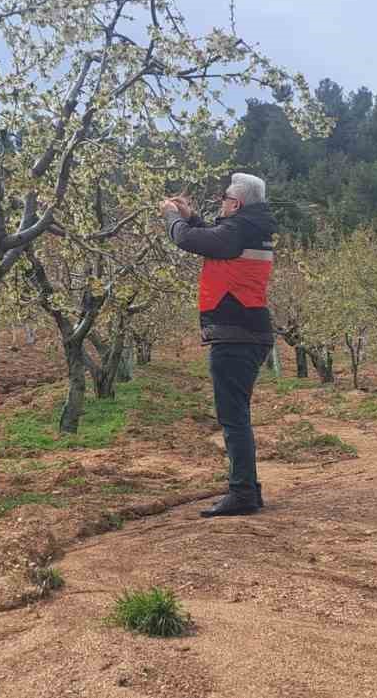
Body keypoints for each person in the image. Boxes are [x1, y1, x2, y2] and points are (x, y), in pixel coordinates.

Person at [161, 173, 276, 518]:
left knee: (233, 417)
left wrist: (172, 216)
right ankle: (247, 489)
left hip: (236, 335)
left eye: (224, 198)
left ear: (236, 203)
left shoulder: (239, 230)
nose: (220, 203)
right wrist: (191, 217)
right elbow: (212, 238)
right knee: (236, 414)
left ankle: (242, 493)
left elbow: (189, 240)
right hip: (247, 332)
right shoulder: (249, 228)